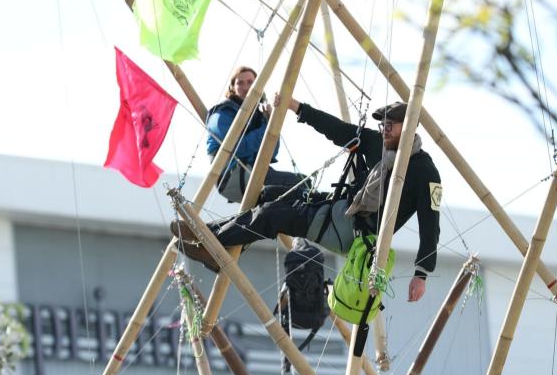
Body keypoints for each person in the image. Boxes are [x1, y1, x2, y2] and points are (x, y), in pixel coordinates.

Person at [175, 99, 442, 303]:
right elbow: (337, 129)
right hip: (340, 208)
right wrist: (297, 108)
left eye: (390, 125)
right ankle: (212, 244)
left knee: (273, 214)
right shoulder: (376, 143)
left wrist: (421, 274)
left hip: (355, 231)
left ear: (408, 127)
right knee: (270, 194)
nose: (384, 130)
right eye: (382, 124)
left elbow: (430, 224)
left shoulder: (424, 171)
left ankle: (209, 240)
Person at [207, 66, 308, 204]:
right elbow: (239, 148)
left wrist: (270, 120)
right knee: (298, 185)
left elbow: (272, 154)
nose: (246, 87)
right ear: (232, 87)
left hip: (252, 171)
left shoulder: (258, 114)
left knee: (304, 184)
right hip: (232, 176)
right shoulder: (221, 115)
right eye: (240, 83)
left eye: (250, 82)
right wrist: (267, 127)